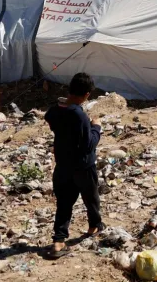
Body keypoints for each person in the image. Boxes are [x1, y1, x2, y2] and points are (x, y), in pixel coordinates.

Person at [45, 73, 103, 259]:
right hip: (83, 167)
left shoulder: (55, 110)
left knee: (64, 203)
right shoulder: (79, 115)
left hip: (63, 166)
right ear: (86, 95)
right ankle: (94, 227)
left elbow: (50, 118)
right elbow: (89, 145)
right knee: (91, 198)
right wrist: (96, 127)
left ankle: (58, 241)